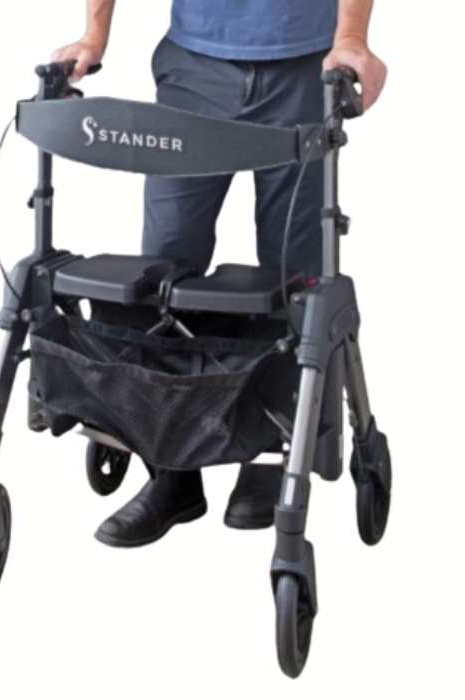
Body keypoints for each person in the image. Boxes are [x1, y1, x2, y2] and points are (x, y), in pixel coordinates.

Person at [53, 0, 387, 547]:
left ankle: (272, 454)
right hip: (194, 68)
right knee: (163, 269)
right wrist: (94, 35)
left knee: (291, 277)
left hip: (303, 66)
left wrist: (351, 37)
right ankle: (172, 470)